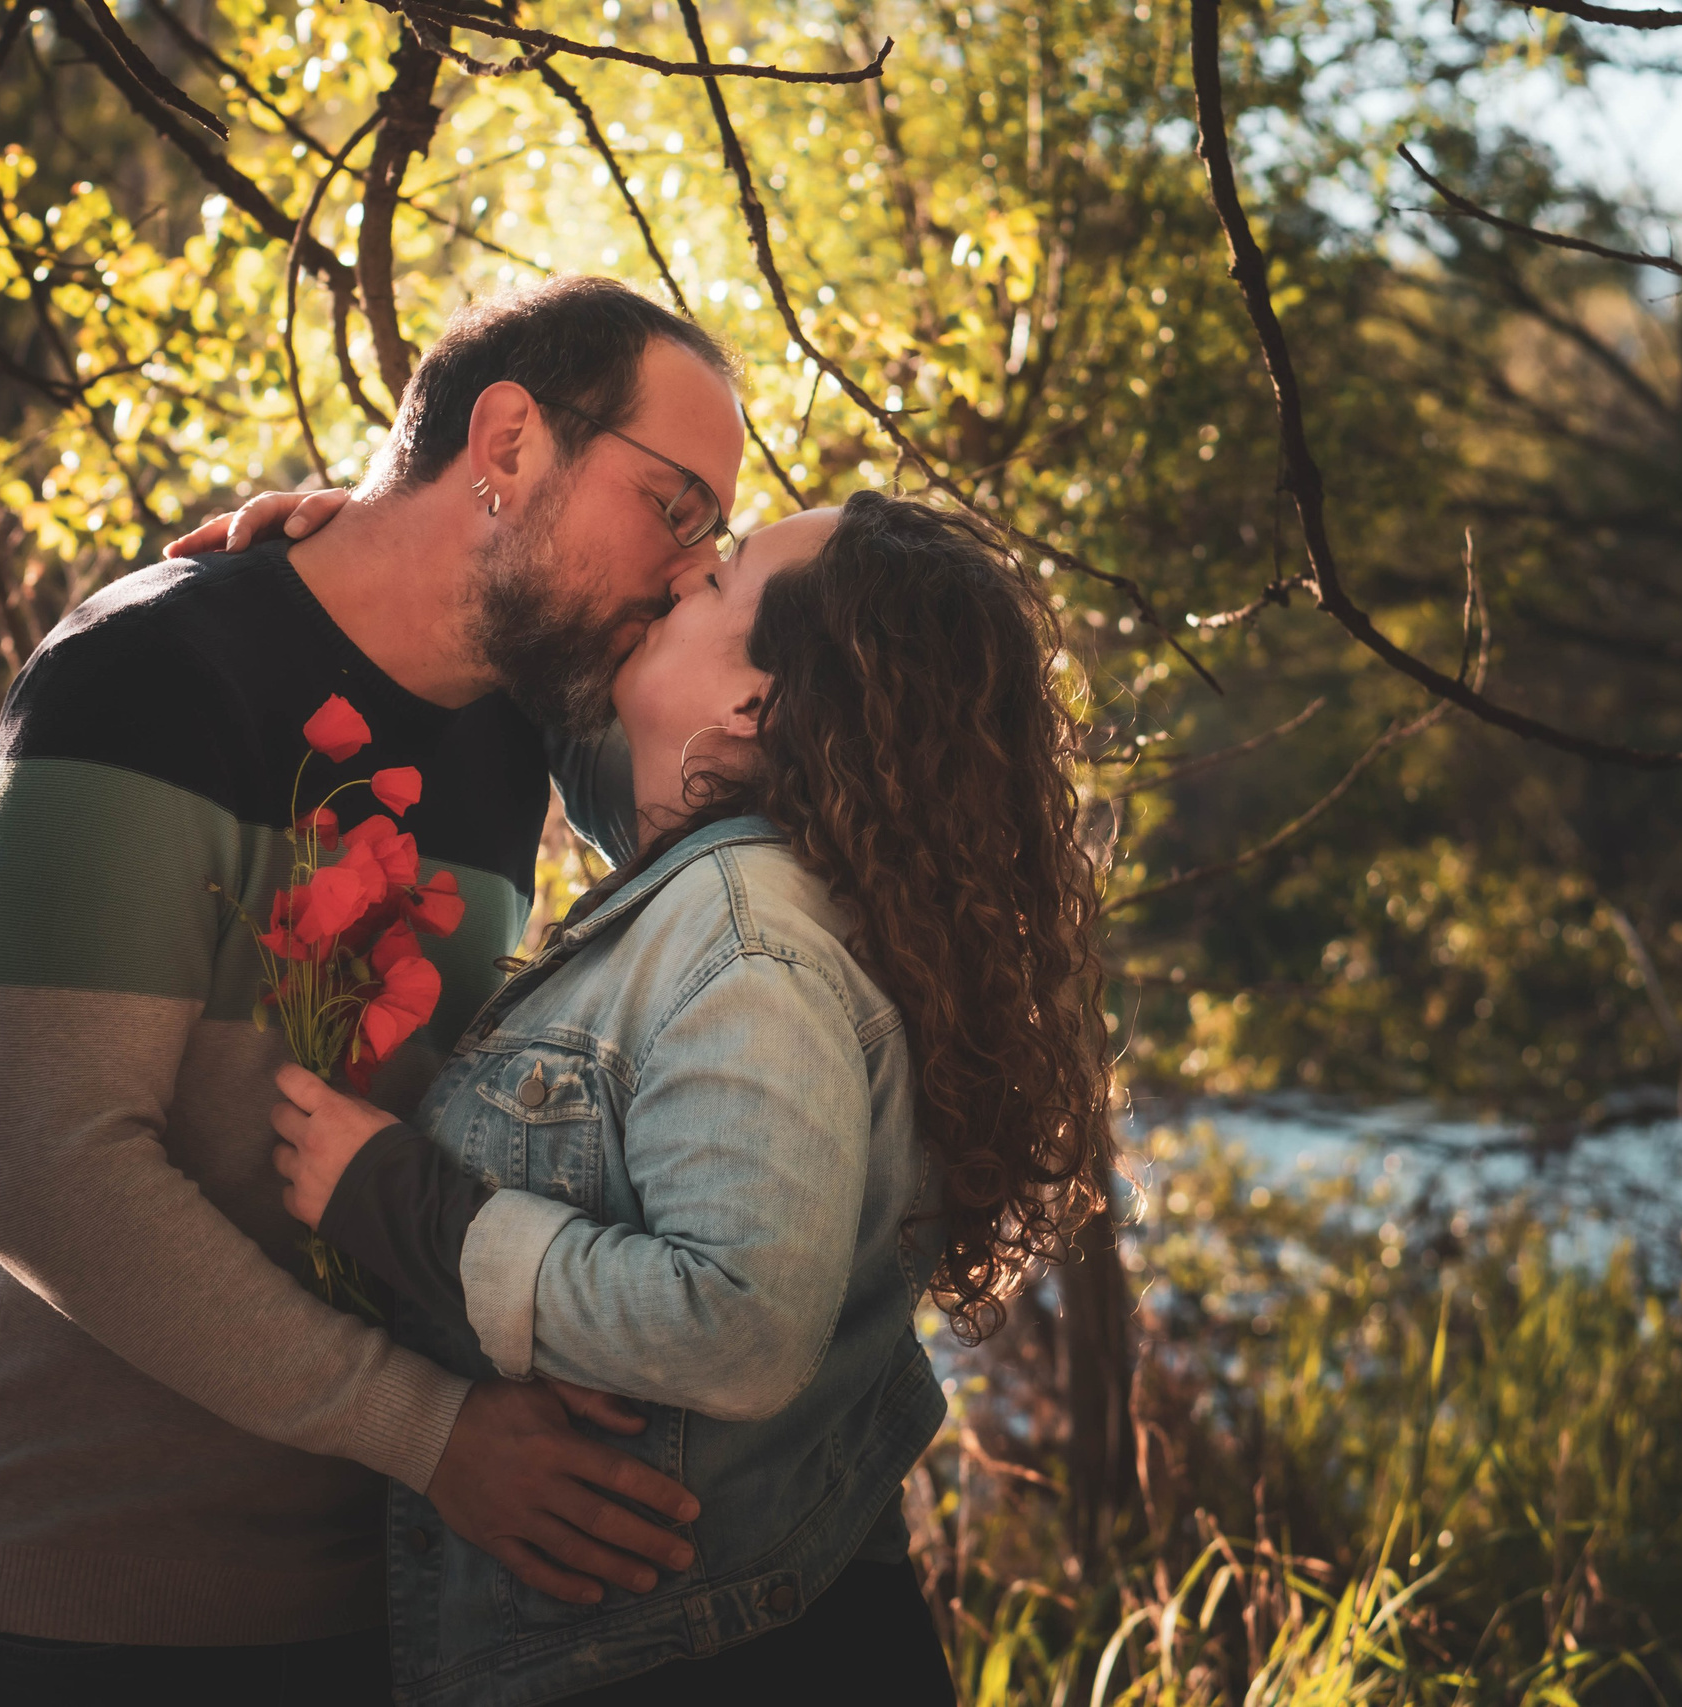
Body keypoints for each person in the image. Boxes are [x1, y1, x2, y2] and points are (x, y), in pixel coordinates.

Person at [0, 277, 751, 1705]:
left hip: (362, 1617)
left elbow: (749, 754)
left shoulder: (523, 733)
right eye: (677, 506)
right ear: (509, 442)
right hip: (57, 1621)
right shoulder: (144, 671)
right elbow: (56, 1173)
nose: (693, 568)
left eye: (720, 532)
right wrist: (440, 1434)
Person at [257, 490, 1117, 1704]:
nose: (686, 572)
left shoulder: (746, 941)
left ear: (754, 708)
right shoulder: (734, 864)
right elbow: (573, 703)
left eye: (722, 580)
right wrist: (375, 539)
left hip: (707, 1663)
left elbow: (739, 1322)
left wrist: (404, 1208)